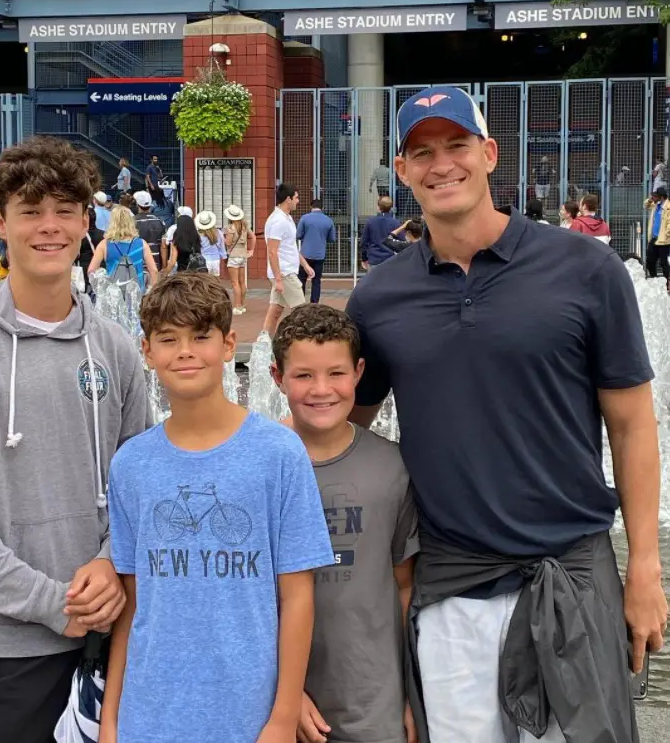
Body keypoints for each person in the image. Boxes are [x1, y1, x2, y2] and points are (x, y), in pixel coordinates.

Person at [345, 85, 667, 743]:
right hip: (450, 584)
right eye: (421, 152)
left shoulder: (583, 268)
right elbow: (339, 432)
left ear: (488, 154)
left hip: (568, 573)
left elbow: (632, 424)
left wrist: (642, 567)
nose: (442, 165)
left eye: (456, 145)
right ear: (401, 171)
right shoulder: (378, 298)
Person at [0, 137, 150, 743]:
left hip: (103, 642)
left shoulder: (114, 347)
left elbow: (140, 486)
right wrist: (50, 602)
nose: (50, 227)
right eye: (30, 210)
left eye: (66, 209)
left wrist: (105, 561)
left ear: (86, 221)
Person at [100, 272, 333, 743]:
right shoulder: (131, 464)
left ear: (229, 345)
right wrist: (111, 720)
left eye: (200, 336)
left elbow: (298, 597)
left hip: (247, 714)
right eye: (168, 339)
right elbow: (132, 603)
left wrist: (284, 717)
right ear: (147, 352)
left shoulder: (278, 453)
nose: (185, 351)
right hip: (150, 714)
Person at [271, 305, 418, 743]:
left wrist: (411, 695)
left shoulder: (393, 467)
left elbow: (405, 587)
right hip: (274, 701)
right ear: (277, 378)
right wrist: (287, 694)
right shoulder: (259, 466)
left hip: (371, 702)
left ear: (358, 373)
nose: (321, 390)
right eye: (303, 376)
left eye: (335, 374)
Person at [263, 183, 314, 336]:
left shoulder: (286, 218)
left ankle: (263, 345)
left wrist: (305, 265)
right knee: (302, 313)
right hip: (285, 274)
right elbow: (272, 251)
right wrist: (278, 279)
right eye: (296, 198)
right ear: (288, 199)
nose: (298, 201)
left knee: (275, 311)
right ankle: (301, 346)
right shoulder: (278, 221)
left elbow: (290, 246)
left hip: (285, 272)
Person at [89, 205, 159, 290]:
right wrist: (150, 292)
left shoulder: (104, 245)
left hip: (113, 295)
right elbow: (154, 271)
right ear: (131, 222)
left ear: (112, 223)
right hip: (137, 294)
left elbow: (91, 271)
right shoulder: (141, 243)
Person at [296, 198, 336, 303]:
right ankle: (314, 303)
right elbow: (332, 239)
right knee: (316, 281)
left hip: (305, 254)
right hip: (320, 254)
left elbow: (298, 235)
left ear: (311, 206)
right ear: (322, 208)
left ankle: (300, 302)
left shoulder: (304, 218)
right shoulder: (328, 220)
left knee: (302, 279)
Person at [223, 204, 254, 314]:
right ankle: (242, 304)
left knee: (234, 282)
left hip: (233, 255)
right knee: (242, 282)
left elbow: (228, 243)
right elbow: (253, 236)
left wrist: (224, 237)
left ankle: (237, 306)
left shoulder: (230, 228)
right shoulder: (244, 225)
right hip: (243, 255)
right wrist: (251, 250)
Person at [360, 195, 401, 269]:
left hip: (374, 258)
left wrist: (364, 258)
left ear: (378, 207)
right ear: (391, 208)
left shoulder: (371, 221)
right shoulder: (396, 223)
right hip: (391, 259)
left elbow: (364, 242)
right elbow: (402, 241)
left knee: (374, 280)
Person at [133, 190, 165, 270]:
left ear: (137, 204)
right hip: (156, 265)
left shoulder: (131, 222)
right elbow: (163, 246)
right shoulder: (160, 221)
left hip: (137, 265)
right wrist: (164, 267)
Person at [644, 185, 670, 283]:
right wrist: (651, 199)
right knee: (650, 261)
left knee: (663, 263)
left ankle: (667, 283)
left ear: (661, 197)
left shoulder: (668, 207)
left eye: (655, 196)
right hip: (654, 238)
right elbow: (646, 205)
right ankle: (654, 280)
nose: (653, 197)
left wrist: (666, 234)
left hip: (663, 240)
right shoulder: (656, 205)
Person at [196, 209, 227, 275]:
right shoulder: (218, 232)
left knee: (205, 282)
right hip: (216, 260)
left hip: (204, 261)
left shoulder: (198, 234)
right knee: (215, 282)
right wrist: (224, 257)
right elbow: (222, 247)